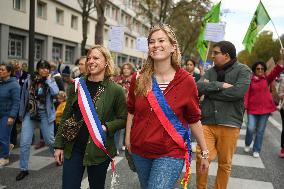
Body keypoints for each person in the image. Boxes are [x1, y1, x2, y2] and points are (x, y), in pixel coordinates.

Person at [125, 24, 209, 189]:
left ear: (173, 47)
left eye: (161, 40)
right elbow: (131, 110)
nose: (156, 45)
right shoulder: (139, 78)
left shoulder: (187, 81)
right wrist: (128, 138)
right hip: (140, 150)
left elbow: (193, 119)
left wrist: (204, 151)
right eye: (152, 42)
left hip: (171, 152)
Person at [54, 45, 127, 189]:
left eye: (96, 58)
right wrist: (58, 145)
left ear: (106, 62)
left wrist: (107, 127)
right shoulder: (77, 85)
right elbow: (66, 116)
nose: (91, 61)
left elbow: (124, 118)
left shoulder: (116, 90)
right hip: (73, 147)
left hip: (99, 150)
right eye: (89, 58)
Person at [196, 41, 251, 189]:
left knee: (224, 164)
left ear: (226, 55)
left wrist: (210, 92)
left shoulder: (243, 70)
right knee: (202, 156)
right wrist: (219, 85)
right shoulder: (210, 71)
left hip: (230, 122)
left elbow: (238, 92)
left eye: (215, 53)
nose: (212, 56)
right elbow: (198, 87)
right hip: (207, 121)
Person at [16, 60, 59, 181]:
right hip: (30, 115)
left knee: (50, 140)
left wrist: (49, 80)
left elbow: (55, 92)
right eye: (42, 68)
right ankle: (23, 169)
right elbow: (23, 97)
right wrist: (21, 115)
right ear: (38, 69)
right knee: (24, 142)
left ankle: (57, 156)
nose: (45, 70)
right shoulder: (30, 80)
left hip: (45, 115)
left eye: (47, 68)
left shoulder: (51, 80)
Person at [244, 59, 284, 158]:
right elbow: (246, 95)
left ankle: (256, 149)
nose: (260, 70)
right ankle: (248, 143)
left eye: (262, 68)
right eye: (258, 69)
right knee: (250, 128)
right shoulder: (250, 80)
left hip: (264, 110)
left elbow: (276, 70)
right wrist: (245, 106)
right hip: (252, 109)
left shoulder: (267, 79)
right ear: (255, 70)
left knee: (260, 131)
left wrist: (281, 56)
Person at [0, 63, 20, 166]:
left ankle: (5, 157)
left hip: (8, 114)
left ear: (9, 72)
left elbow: (16, 102)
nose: (0, 71)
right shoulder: (1, 82)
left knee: (3, 136)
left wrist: (11, 116)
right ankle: (7, 147)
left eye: (3, 70)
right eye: (0, 69)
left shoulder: (14, 85)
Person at [113, 62, 136, 152]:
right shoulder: (117, 79)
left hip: (130, 107)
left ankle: (123, 144)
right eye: (124, 68)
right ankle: (116, 147)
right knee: (118, 127)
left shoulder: (134, 80)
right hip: (118, 106)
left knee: (127, 127)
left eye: (128, 68)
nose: (126, 70)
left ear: (131, 70)